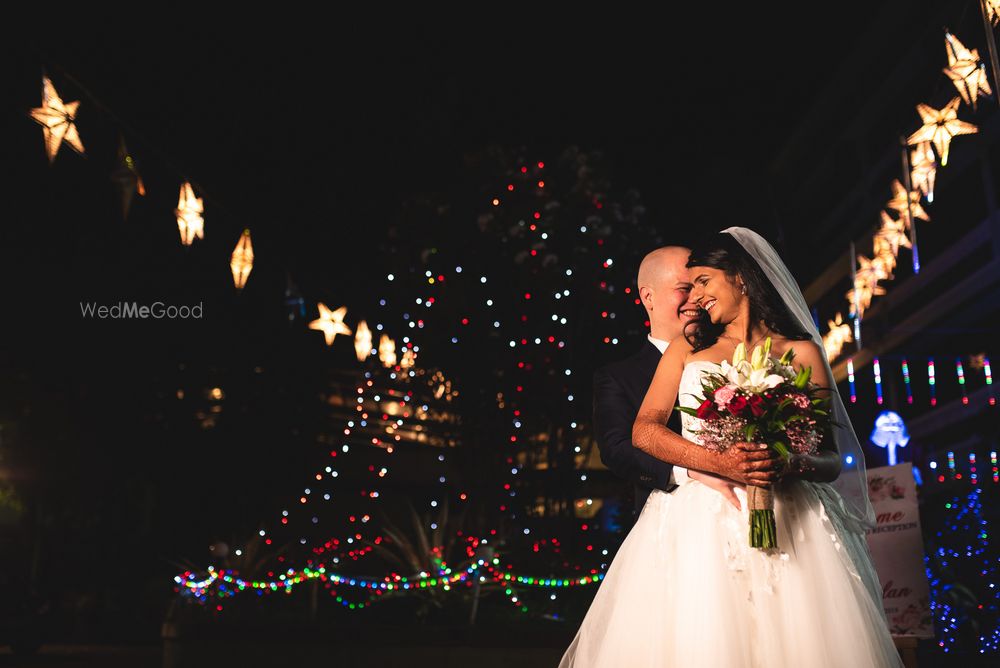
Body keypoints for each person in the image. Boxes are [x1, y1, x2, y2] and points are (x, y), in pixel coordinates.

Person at [559, 227, 901, 668]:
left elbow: (831, 459)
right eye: (690, 285)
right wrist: (721, 463)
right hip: (700, 523)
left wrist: (791, 460)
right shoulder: (687, 347)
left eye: (703, 282)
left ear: (740, 277)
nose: (697, 298)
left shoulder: (801, 352)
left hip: (793, 519)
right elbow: (642, 433)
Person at [592, 246, 700, 524]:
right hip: (668, 518)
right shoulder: (617, 376)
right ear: (648, 297)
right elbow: (617, 449)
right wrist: (689, 472)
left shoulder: (734, 357)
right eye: (684, 289)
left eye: (701, 286)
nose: (696, 299)